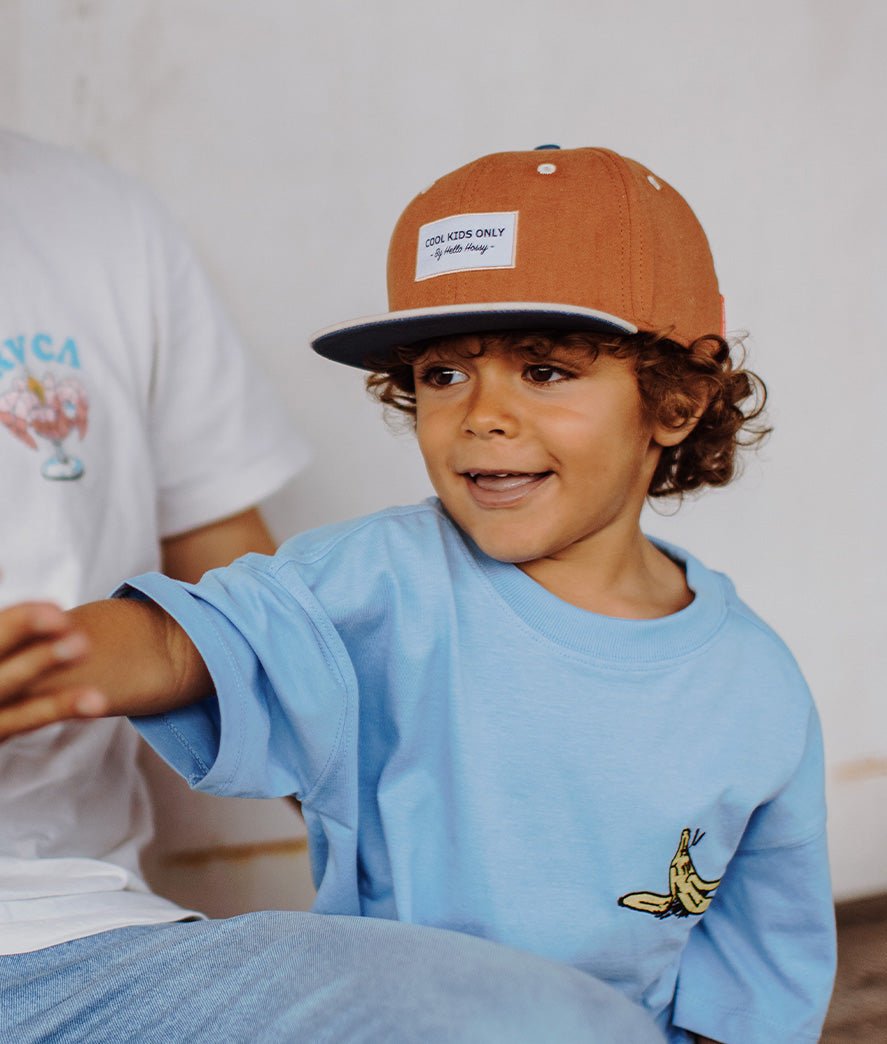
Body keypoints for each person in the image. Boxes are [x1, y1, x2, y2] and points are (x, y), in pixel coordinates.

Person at [0, 146, 836, 1041]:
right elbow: (185, 640)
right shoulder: (377, 576)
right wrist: (67, 658)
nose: (481, 414)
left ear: (677, 402)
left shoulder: (755, 684)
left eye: (544, 370)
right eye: (443, 374)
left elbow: (757, 969)